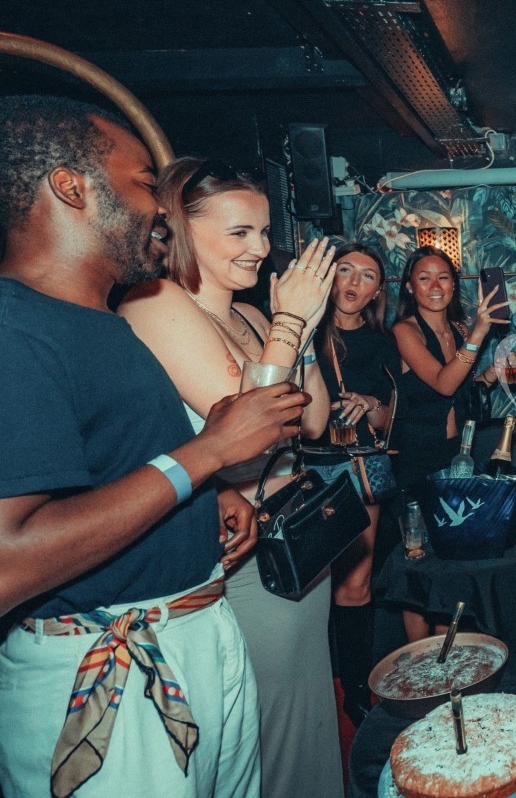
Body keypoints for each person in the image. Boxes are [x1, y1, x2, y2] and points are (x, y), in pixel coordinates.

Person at [0, 95, 306, 797]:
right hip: (109, 669)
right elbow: (7, 563)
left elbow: (113, 463)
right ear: (70, 186)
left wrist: (210, 492)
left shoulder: (101, 321)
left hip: (193, 627)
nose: (161, 208)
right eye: (142, 183)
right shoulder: (15, 332)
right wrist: (204, 457)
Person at [119, 158, 343, 798]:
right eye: (240, 233)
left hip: (296, 540)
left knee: (306, 721)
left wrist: (294, 328)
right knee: (263, 733)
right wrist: (292, 324)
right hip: (241, 556)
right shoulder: (156, 302)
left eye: (266, 232)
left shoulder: (249, 314)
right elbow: (249, 434)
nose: (262, 248)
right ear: (183, 230)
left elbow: (316, 421)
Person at [305, 242, 399, 726]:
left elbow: (386, 422)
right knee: (313, 585)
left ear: (377, 291)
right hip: (307, 471)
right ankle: (317, 683)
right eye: (346, 270)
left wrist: (369, 403)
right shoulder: (303, 332)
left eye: (366, 276)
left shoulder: (383, 343)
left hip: (361, 467)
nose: (354, 282)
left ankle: (356, 690)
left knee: (356, 584)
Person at [389, 245, 511, 486]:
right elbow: (443, 384)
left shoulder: (460, 330)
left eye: (443, 277)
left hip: (458, 451)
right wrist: (478, 333)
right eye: (424, 278)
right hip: (416, 455)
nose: (435, 286)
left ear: (453, 285)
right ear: (410, 286)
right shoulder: (404, 331)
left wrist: (493, 371)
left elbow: (460, 391)